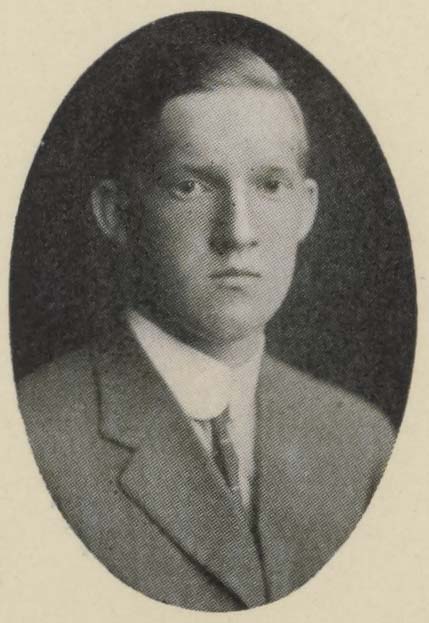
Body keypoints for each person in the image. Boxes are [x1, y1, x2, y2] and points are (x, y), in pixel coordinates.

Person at [17, 42, 395, 611]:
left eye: (270, 185)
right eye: (191, 186)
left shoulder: (360, 443)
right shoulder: (32, 442)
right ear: (116, 213)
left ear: (306, 209)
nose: (237, 231)